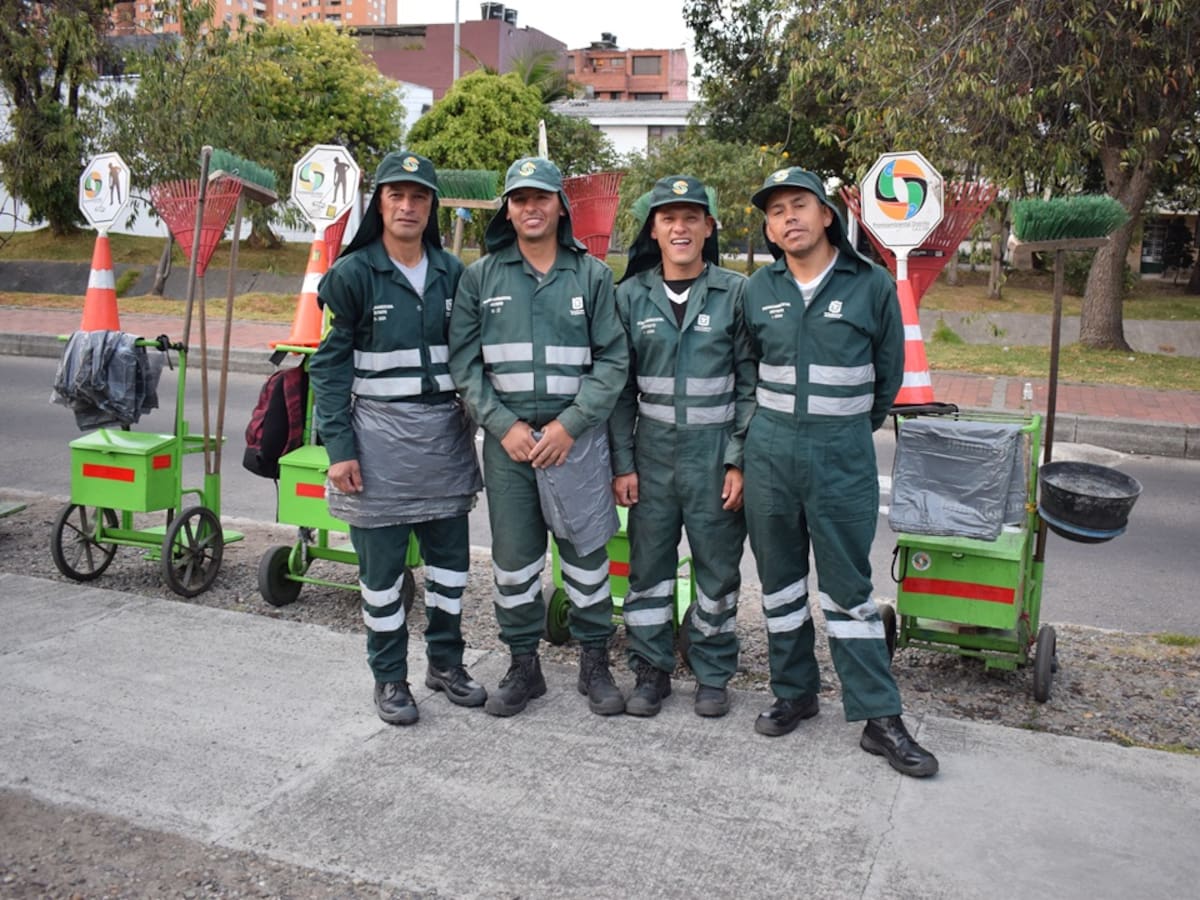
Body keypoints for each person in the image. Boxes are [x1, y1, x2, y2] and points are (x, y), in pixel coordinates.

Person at [741, 167, 938, 777]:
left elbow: (888, 376)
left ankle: (879, 717)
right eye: (776, 212)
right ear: (770, 230)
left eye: (799, 206)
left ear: (827, 215)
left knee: (849, 595)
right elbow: (746, 375)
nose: (788, 219)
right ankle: (794, 690)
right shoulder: (756, 290)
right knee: (779, 587)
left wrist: (847, 427)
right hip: (769, 457)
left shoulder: (871, 286)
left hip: (842, 459)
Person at [449, 157, 629, 718]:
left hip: (573, 443)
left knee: (586, 558)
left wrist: (568, 426)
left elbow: (613, 362)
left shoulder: (593, 276)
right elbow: (465, 363)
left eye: (541, 197)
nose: (531, 207)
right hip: (510, 448)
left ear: (560, 206)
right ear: (508, 207)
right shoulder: (481, 276)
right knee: (515, 563)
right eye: (520, 198)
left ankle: (594, 664)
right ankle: (523, 666)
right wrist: (501, 426)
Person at [309, 151, 485, 726]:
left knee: (452, 569)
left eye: (419, 197)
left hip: (444, 442)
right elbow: (329, 369)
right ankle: (389, 679)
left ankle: (445, 663)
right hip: (377, 444)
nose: (408, 206)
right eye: (396, 196)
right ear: (379, 203)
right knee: (382, 578)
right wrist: (340, 451)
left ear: (432, 207)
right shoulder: (354, 275)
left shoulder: (453, 272)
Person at [609, 175, 755, 718]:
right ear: (654, 228)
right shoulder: (630, 295)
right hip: (651, 458)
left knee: (717, 571)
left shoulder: (736, 292)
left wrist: (738, 459)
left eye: (692, 217)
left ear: (708, 227)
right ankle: (651, 671)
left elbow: (750, 385)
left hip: (714, 457)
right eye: (669, 217)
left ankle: (713, 673)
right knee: (647, 569)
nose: (680, 227)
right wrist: (622, 462)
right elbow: (621, 389)